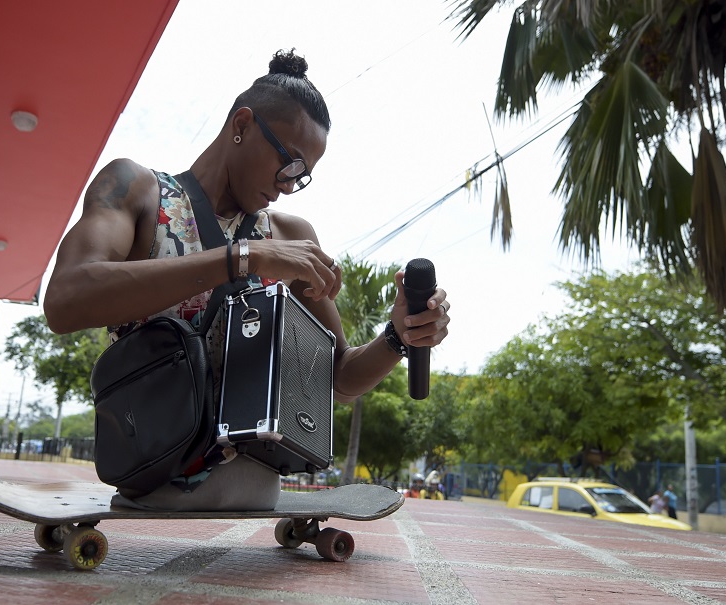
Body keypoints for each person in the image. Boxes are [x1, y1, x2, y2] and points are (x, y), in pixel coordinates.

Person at [43, 50, 451, 511]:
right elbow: (64, 299)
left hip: (252, 481)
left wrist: (398, 336)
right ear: (242, 125)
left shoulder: (290, 236)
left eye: (303, 176)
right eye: (289, 163)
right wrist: (243, 257)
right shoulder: (137, 190)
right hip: (149, 463)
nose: (288, 184)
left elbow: (336, 378)